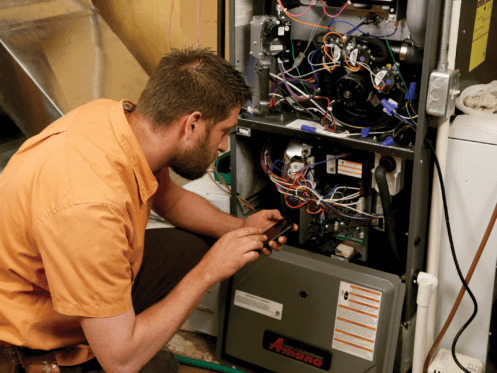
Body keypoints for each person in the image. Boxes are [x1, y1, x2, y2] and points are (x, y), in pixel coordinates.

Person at [0, 47, 297, 373]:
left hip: (57, 273)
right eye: (223, 131)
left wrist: (240, 230)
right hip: (26, 328)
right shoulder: (91, 211)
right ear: (192, 124)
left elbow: (170, 200)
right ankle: (63, 357)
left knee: (190, 248)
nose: (224, 146)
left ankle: (117, 329)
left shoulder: (118, 122)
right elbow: (120, 363)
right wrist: (209, 271)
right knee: (146, 360)